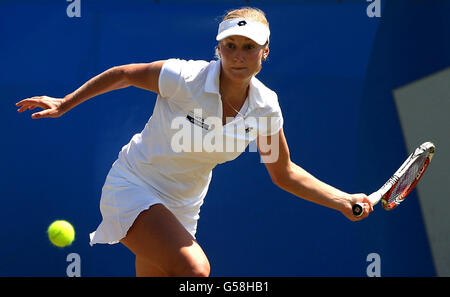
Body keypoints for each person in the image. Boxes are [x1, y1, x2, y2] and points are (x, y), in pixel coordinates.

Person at [15, 7, 373, 277]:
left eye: (249, 47)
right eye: (230, 45)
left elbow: (285, 173)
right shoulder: (184, 77)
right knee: (196, 271)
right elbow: (124, 75)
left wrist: (342, 200)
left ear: (265, 52)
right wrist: (65, 103)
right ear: (218, 47)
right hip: (134, 185)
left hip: (184, 208)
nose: (237, 55)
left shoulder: (266, 108)